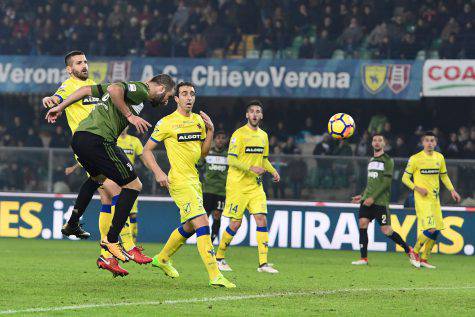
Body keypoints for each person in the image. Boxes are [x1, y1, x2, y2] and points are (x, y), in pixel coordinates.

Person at [45, 72, 176, 268]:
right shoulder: (141, 89)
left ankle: (73, 223)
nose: (165, 102)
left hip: (80, 138)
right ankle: (112, 240)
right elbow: (116, 89)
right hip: (98, 140)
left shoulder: (128, 89)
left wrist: (60, 107)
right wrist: (130, 116)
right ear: (161, 88)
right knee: (134, 185)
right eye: (167, 97)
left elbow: (85, 90)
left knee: (98, 180)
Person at [141, 82, 235, 288]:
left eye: (192, 94)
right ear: (176, 99)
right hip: (179, 181)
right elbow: (145, 150)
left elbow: (203, 153)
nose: (189, 97)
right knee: (203, 223)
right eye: (184, 94)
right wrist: (158, 172)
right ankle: (215, 275)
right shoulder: (166, 123)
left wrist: (210, 131)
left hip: (195, 180)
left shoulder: (199, 121)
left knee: (190, 226)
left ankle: (162, 259)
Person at [216, 100, 280, 274]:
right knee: (235, 223)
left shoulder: (263, 136)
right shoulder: (239, 134)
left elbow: (264, 159)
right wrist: (251, 168)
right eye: (251, 111)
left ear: (261, 115)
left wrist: (273, 171)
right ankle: (219, 258)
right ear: (246, 115)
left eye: (258, 111)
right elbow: (231, 159)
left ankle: (263, 263)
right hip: (237, 185)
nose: (254, 114)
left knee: (262, 219)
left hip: (255, 186)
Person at [351, 134, 419, 267]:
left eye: (380, 140)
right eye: (374, 140)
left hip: (380, 202)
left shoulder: (388, 160)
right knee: (363, 224)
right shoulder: (371, 160)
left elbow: (386, 183)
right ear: (372, 143)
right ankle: (363, 258)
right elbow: (371, 183)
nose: (377, 142)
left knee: (386, 230)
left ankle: (408, 250)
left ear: (384, 144)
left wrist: (373, 197)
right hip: (367, 200)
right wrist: (363, 195)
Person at [402, 131, 461, 268]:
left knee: (437, 229)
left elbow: (444, 176)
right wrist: (417, 188)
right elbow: (405, 178)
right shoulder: (415, 159)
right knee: (432, 228)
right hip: (422, 200)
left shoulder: (439, 157)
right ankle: (414, 251)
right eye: (427, 140)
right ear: (422, 143)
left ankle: (424, 259)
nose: (429, 143)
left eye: (432, 140)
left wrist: (452, 190)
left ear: (436, 142)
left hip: (435, 199)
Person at [200, 131, 228, 243]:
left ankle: (212, 239)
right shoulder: (207, 153)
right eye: (218, 138)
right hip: (207, 190)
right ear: (214, 140)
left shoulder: (228, 155)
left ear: (226, 141)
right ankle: (203, 240)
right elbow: (198, 165)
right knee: (204, 217)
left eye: (223, 138)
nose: (220, 140)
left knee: (217, 215)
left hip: (221, 191)